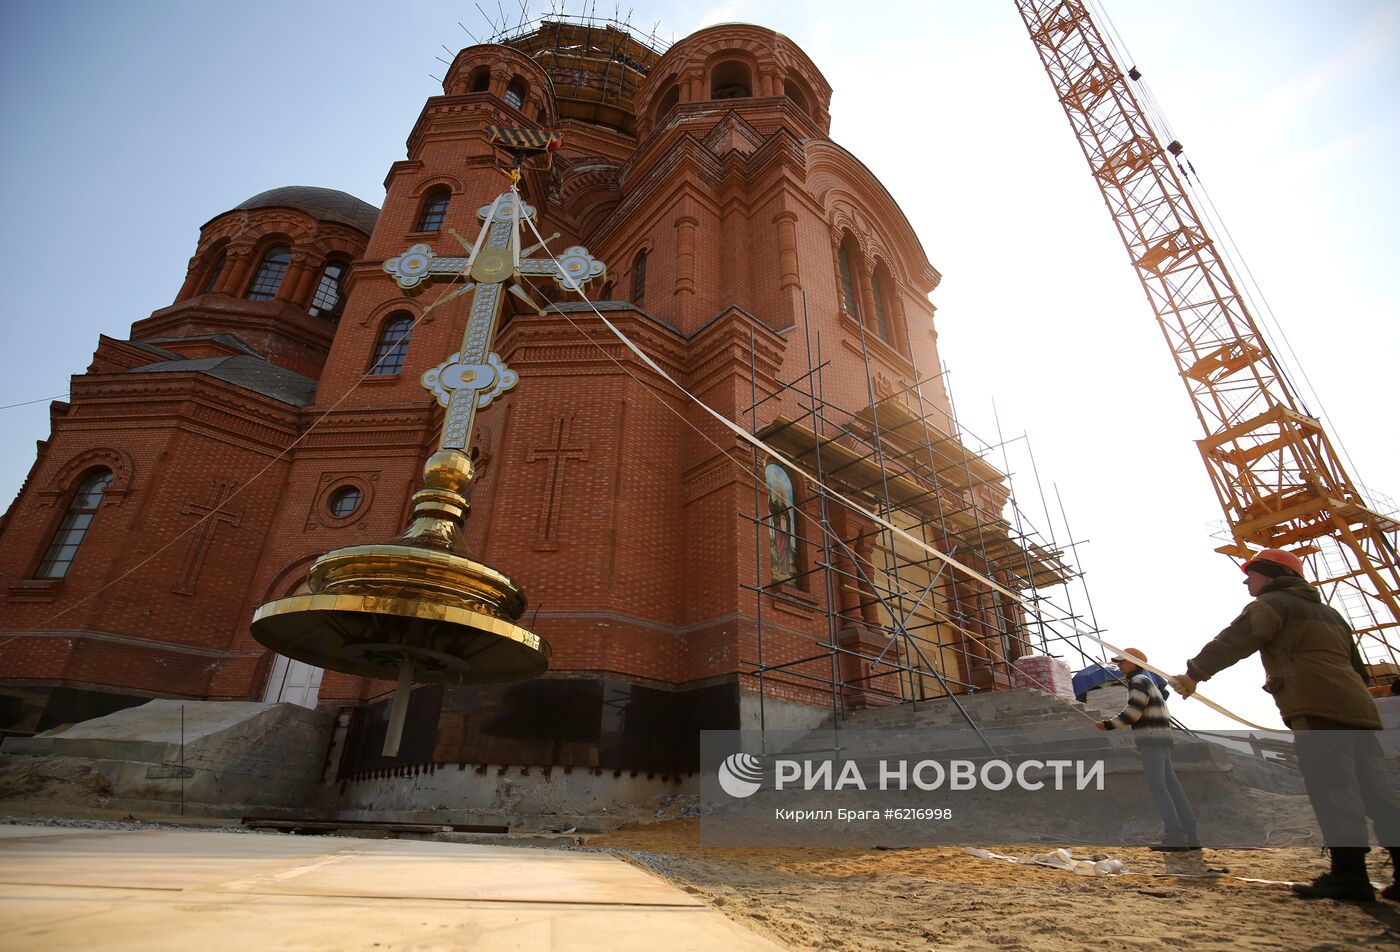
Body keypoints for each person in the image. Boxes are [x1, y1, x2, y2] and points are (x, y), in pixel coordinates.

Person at [1168, 548, 1400, 903]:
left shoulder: (1271, 604)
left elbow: (1234, 640)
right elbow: (1359, 669)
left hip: (1317, 708)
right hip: (1359, 710)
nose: (1246, 580)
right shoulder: (1331, 614)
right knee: (1377, 793)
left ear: (1271, 575)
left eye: (1252, 573)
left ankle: (1349, 876)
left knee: (1333, 790)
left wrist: (1194, 674)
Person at [1096, 648, 1199, 851]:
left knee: (1158, 786)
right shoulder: (1148, 681)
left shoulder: (1138, 681)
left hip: (1151, 739)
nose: (1119, 667)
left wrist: (1108, 725)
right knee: (1172, 787)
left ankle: (1176, 836)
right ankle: (1190, 836)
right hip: (1162, 738)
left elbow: (1133, 712)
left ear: (1134, 663)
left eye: (1122, 663)